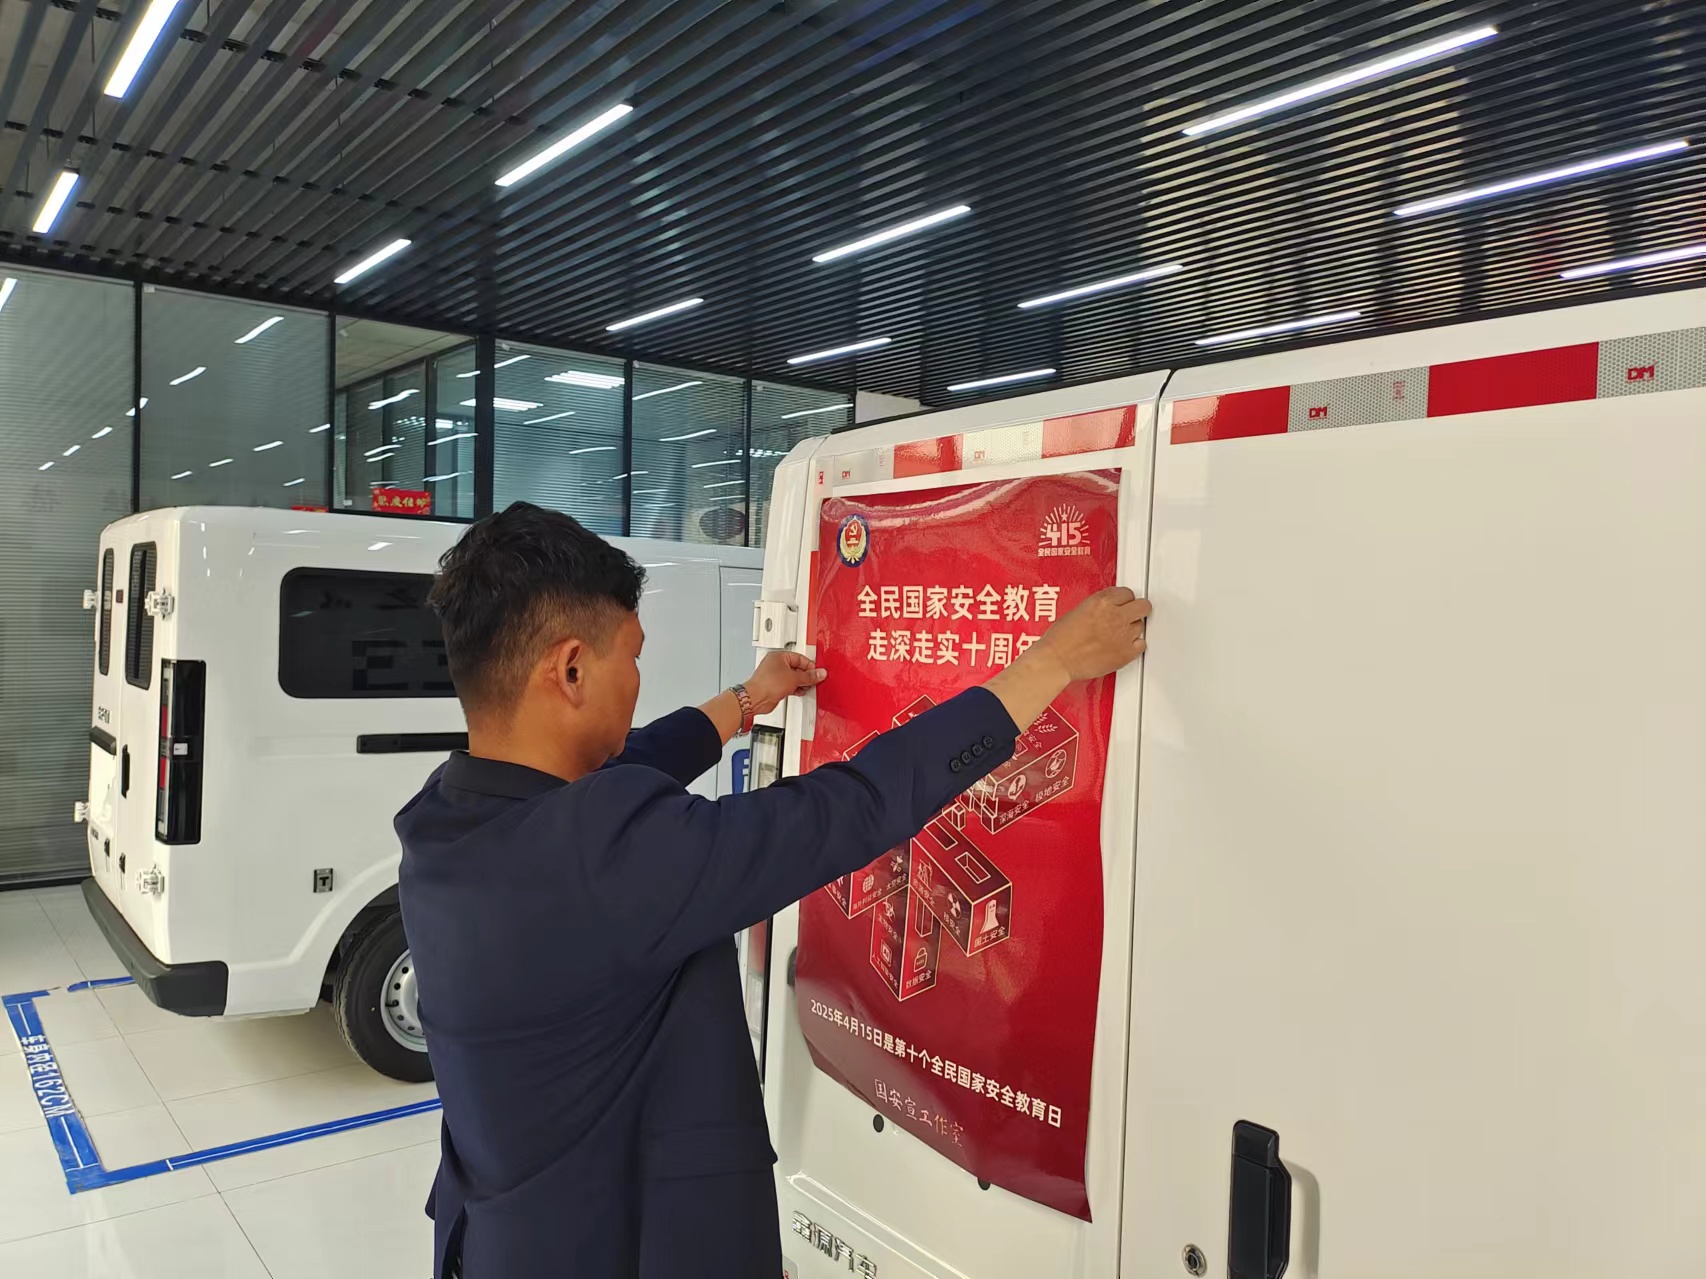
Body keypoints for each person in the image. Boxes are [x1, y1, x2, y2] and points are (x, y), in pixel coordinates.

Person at [396, 502, 1151, 1278]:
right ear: (572, 669)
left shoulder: (445, 817)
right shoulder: (605, 855)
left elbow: (634, 759)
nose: (639, 680)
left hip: (498, 1238)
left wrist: (748, 700)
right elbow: (849, 807)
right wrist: (1051, 662)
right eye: (634, 656)